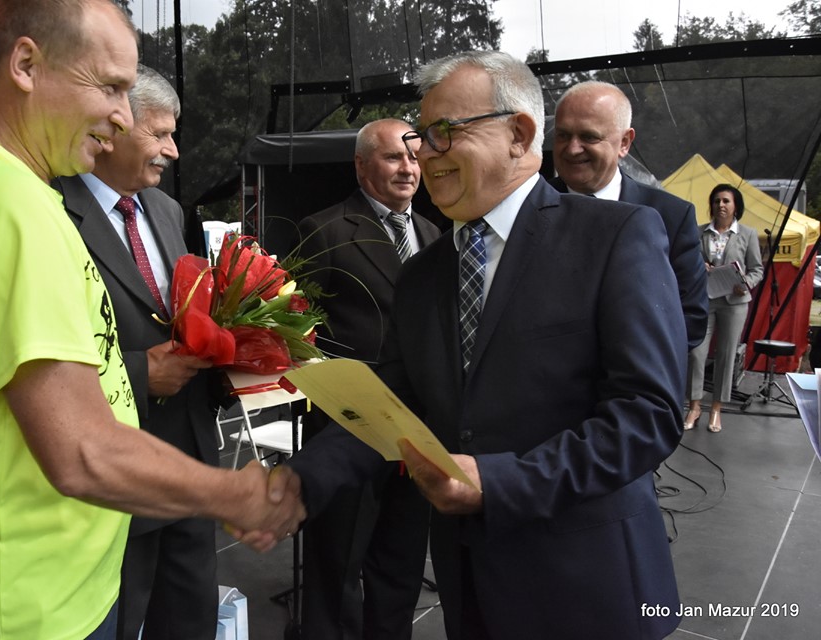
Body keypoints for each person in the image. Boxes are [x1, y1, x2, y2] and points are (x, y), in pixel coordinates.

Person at [0, 2, 302, 638]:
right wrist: (232, 494)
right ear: (26, 65)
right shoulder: (2, 202)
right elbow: (81, 450)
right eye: (110, 87)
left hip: (46, 594)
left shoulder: (10, 193)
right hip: (15, 613)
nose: (124, 117)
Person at [281, 50, 687, 640]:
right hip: (469, 585)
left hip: (588, 585)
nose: (424, 153)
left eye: (444, 132)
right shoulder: (422, 275)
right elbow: (393, 403)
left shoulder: (614, 237)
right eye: (421, 136)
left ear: (519, 133)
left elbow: (648, 415)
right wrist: (297, 481)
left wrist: (499, 483)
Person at [55, 64, 221, 640]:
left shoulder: (168, 211)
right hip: (118, 466)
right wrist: (135, 375)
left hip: (190, 459)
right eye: (161, 134)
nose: (173, 151)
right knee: (121, 620)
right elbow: (53, 348)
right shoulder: (50, 209)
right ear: (116, 126)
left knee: (191, 618)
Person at [295, 118, 442, 640]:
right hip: (348, 428)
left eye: (415, 158)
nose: (408, 168)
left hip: (417, 432)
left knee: (400, 565)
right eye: (394, 157)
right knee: (336, 566)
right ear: (361, 166)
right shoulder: (325, 230)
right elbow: (295, 327)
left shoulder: (434, 235)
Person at [551, 80, 708, 349]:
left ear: (624, 142)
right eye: (563, 135)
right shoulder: (526, 209)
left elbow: (690, 321)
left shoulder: (670, 216)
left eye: (589, 137)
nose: (572, 148)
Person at [685, 184, 764, 432]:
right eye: (717, 200)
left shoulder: (748, 234)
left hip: (734, 302)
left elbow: (757, 269)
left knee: (726, 355)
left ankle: (716, 408)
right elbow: (687, 262)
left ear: (735, 206)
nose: (721, 205)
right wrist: (700, 267)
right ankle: (694, 406)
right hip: (705, 299)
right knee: (696, 353)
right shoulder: (699, 232)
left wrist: (746, 283)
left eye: (726, 201)